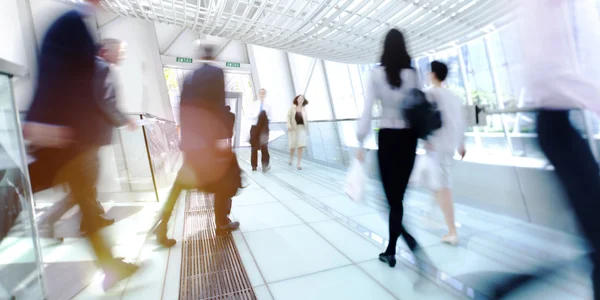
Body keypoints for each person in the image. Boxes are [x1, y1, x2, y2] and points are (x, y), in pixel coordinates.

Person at [23, 0, 139, 290]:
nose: (120, 55)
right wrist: (43, 124)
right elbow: (56, 76)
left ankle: (110, 268)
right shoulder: (71, 23)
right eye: (119, 51)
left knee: (85, 202)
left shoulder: (76, 24)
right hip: (67, 138)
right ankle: (109, 267)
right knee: (22, 191)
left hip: (74, 139)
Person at [490, 1, 600, 298]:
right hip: (556, 123)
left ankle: (503, 288)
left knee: (592, 231)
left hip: (559, 122)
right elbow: (548, 72)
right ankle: (501, 288)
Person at [152, 43, 241, 248]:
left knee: (179, 185)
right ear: (214, 56)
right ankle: (221, 224)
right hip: (209, 144)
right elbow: (217, 108)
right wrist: (220, 141)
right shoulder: (216, 73)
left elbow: (184, 110)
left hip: (191, 144)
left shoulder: (189, 78)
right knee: (225, 180)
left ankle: (162, 225)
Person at [356, 29, 422, 268]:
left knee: (389, 198)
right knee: (398, 198)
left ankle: (398, 246)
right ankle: (394, 247)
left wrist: (360, 141)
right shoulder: (413, 74)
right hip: (408, 138)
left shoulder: (375, 74)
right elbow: (419, 106)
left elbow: (366, 111)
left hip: (387, 138)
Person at [424, 61, 467, 246]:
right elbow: (461, 121)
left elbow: (423, 119)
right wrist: (461, 144)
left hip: (436, 145)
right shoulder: (453, 96)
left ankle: (452, 231)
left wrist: (426, 139)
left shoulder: (430, 94)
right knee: (435, 182)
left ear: (433, 74)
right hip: (448, 145)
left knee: (443, 186)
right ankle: (433, 214)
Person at [250, 88, 271, 171]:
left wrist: (266, 117)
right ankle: (254, 165)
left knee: (264, 147)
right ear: (258, 95)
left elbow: (271, 116)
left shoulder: (268, 106)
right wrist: (257, 115)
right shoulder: (254, 105)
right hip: (255, 127)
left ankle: (265, 165)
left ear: (265, 95)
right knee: (254, 147)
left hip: (264, 129)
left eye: (263, 93)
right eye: (260, 93)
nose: (262, 95)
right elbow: (249, 115)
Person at [287, 95, 309, 170]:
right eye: (299, 98)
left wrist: (307, 129)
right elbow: (288, 117)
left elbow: (306, 119)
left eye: (302, 99)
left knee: (300, 146)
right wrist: (289, 125)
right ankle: (291, 159)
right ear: (297, 99)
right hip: (293, 129)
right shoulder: (292, 108)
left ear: (303, 100)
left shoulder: (304, 109)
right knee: (293, 146)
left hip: (302, 128)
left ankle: (298, 164)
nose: (300, 100)